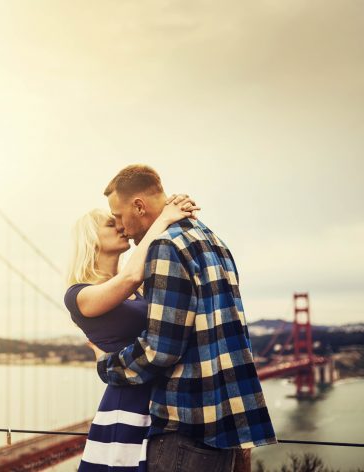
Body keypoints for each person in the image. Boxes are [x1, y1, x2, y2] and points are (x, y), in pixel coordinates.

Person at [88, 165, 277, 472]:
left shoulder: (164, 247)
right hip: (225, 428)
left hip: (186, 427)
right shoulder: (213, 240)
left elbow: (160, 350)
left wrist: (107, 365)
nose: (121, 226)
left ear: (139, 206)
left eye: (119, 215)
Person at [64, 194, 200, 471]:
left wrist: (164, 208)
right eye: (109, 223)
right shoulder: (79, 295)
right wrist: (163, 217)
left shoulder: (138, 289)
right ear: (91, 239)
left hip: (162, 396)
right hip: (128, 400)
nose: (119, 224)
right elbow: (130, 275)